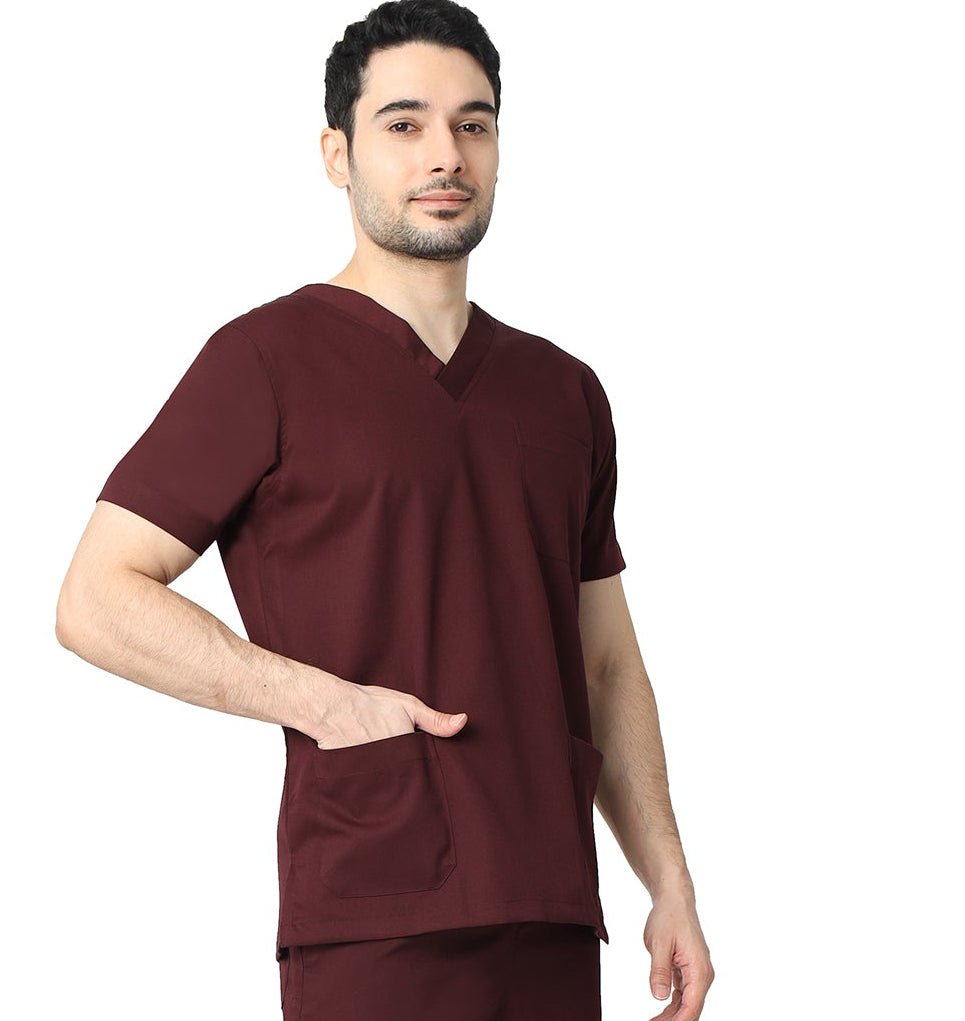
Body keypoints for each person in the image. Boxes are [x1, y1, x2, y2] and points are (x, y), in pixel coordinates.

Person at [55, 1, 713, 1018]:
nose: (444, 153)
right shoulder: (264, 361)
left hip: (550, 912)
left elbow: (606, 663)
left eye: (472, 124)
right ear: (338, 154)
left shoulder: (562, 391)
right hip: (375, 913)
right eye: (403, 124)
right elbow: (96, 597)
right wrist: (322, 703)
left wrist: (667, 879)